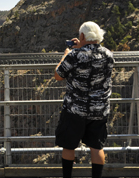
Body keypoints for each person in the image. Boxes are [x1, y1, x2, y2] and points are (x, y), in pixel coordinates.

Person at [54, 21, 115, 178]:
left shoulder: (74, 55)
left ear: (82, 36)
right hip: (99, 110)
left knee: (69, 146)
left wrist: (66, 54)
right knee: (96, 147)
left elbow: (58, 75)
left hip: (75, 110)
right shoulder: (108, 54)